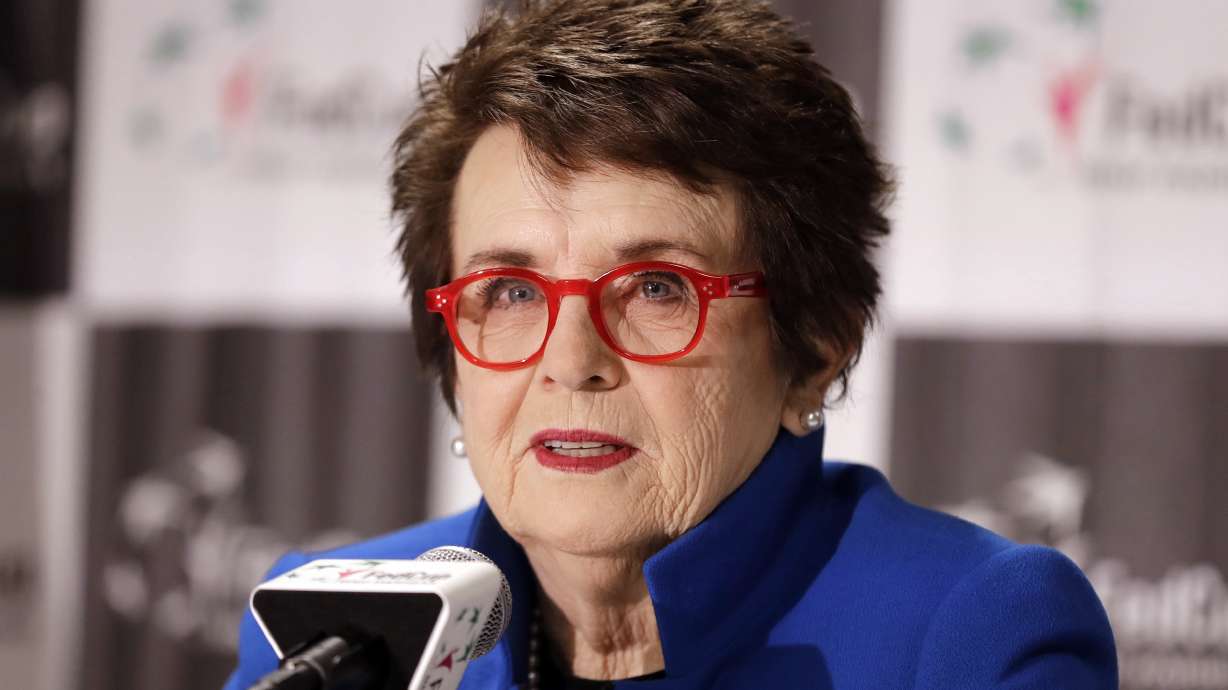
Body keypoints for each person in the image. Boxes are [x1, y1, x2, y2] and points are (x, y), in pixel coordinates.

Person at [224, 1, 1117, 688]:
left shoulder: (972, 633)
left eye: (657, 288)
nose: (571, 361)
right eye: (509, 291)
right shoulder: (341, 636)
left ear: (815, 347)